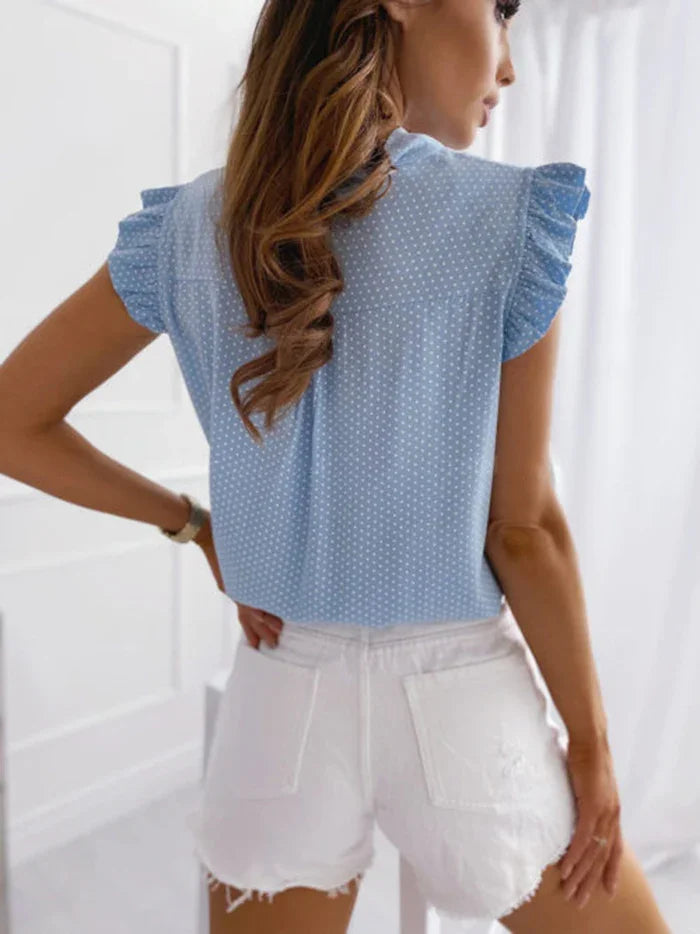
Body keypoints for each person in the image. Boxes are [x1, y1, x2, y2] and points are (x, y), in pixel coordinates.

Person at [0, 0, 673, 932]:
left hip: (281, 705)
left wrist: (195, 526)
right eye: (499, 13)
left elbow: (11, 418)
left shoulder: (192, 226)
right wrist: (592, 747)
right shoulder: (510, 221)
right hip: (464, 712)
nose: (507, 65)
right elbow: (522, 532)